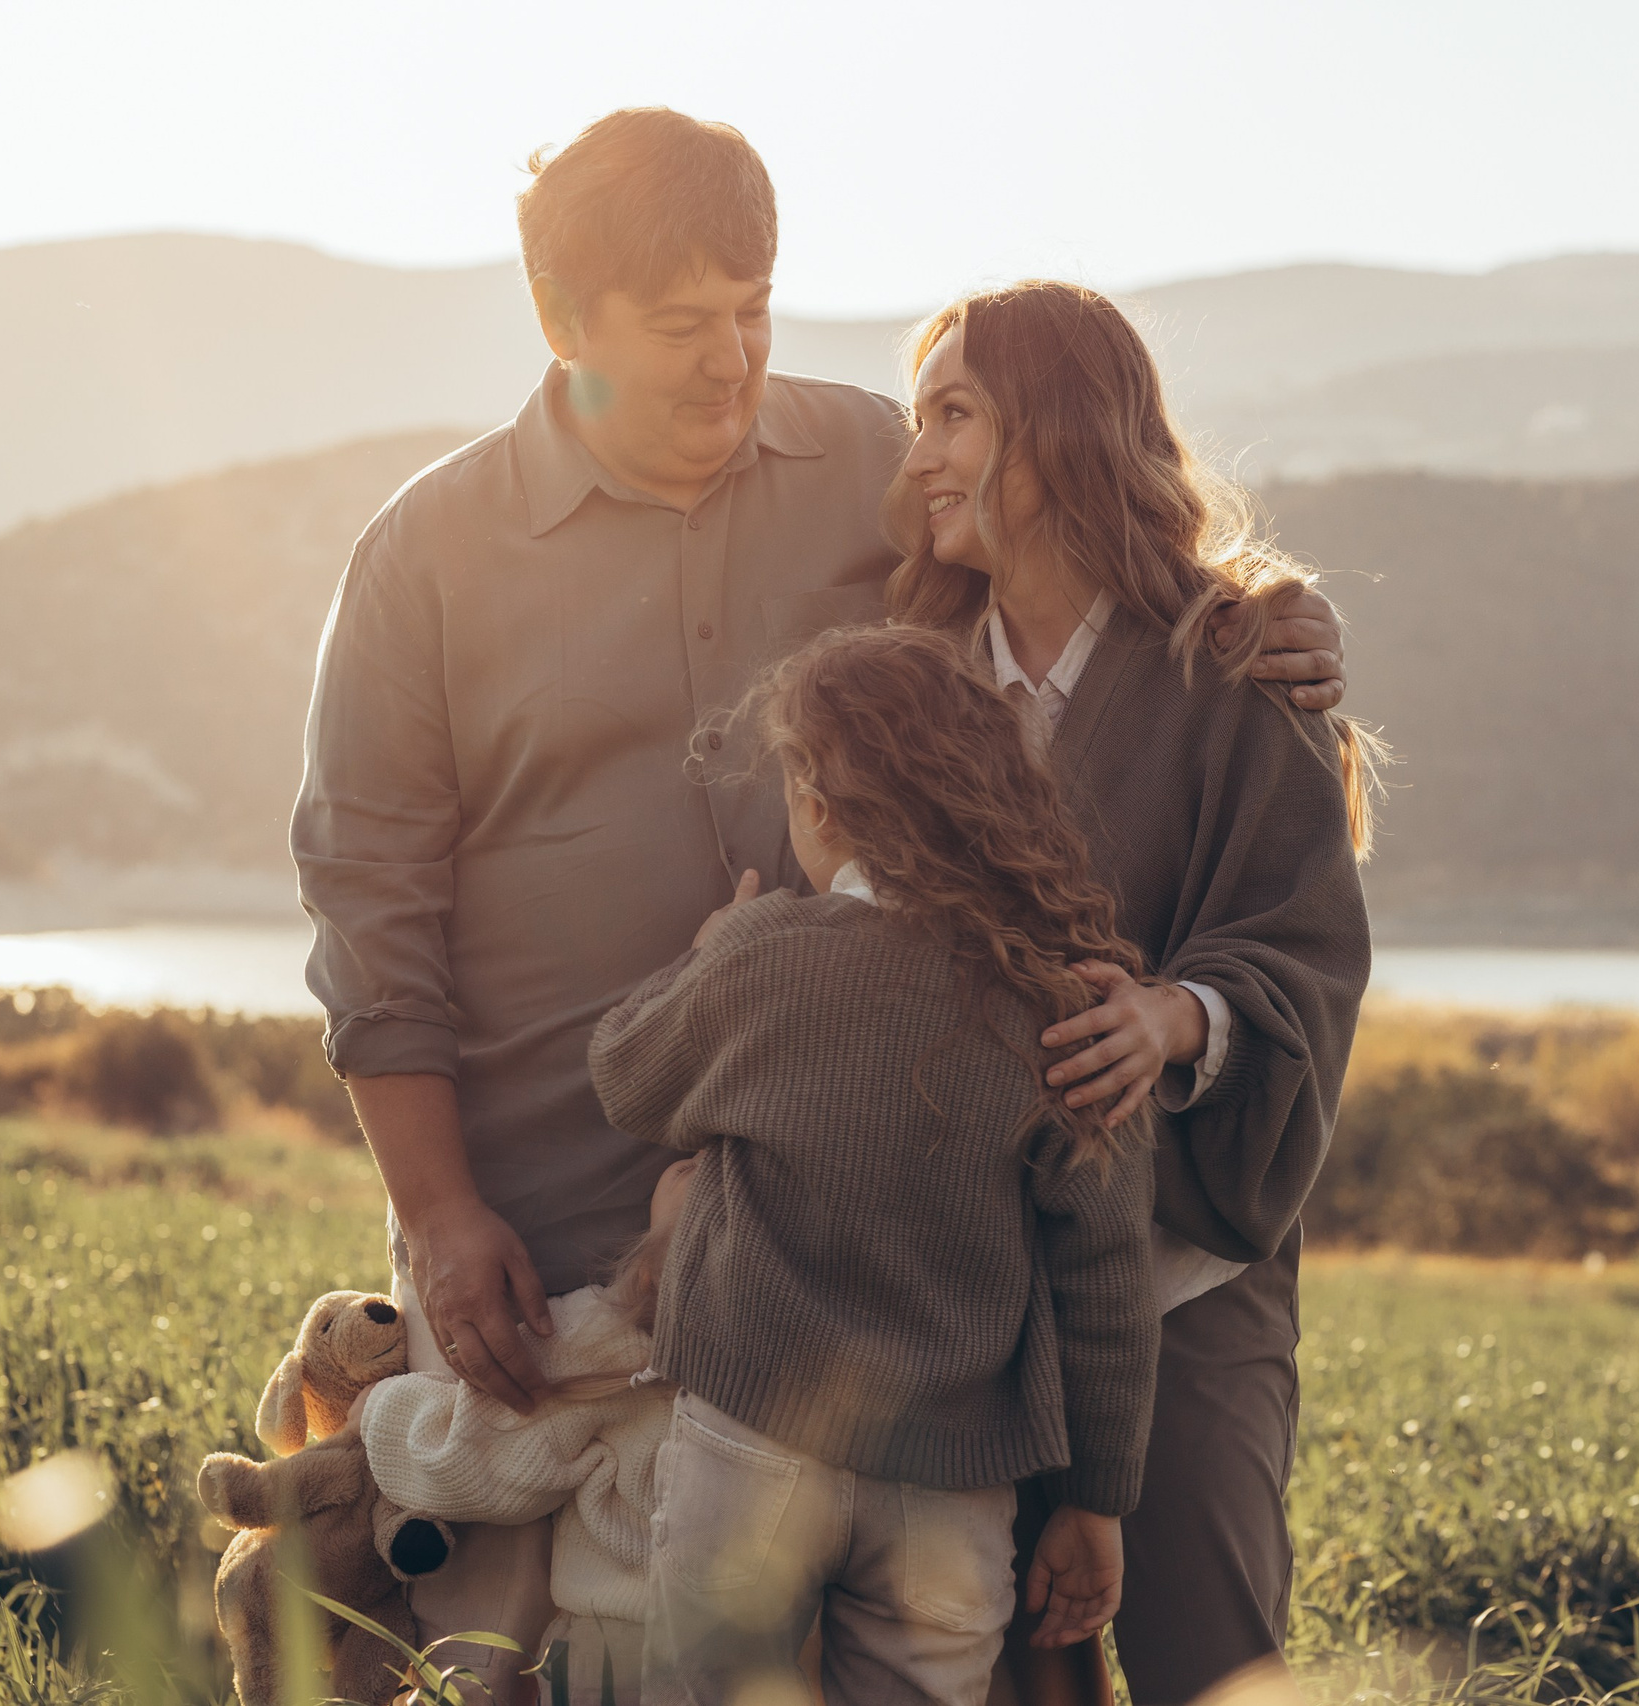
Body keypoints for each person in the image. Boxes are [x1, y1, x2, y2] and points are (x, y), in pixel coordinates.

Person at [291, 107, 1350, 1692]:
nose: (734, 360)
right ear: (566, 325)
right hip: (541, 1222)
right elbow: (369, 917)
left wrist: (1264, 612)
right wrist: (443, 1217)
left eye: (756, 308)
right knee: (506, 1654)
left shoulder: (876, 462)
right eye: (682, 327)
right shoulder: (421, 559)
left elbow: (1082, 552)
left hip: (865, 1238)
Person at [886, 281, 1375, 1705]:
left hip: (1185, 1284)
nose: (917, 455)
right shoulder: (908, 690)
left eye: (955, 414)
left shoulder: (1238, 672)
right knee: (994, 1670)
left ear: (1064, 434)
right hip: (966, 1290)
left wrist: (1175, 1018)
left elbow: (1306, 946)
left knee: (1207, 1653)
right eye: (917, 418)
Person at [588, 624, 1160, 1705]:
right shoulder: (1066, 1006)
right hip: (951, 1484)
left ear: (814, 798)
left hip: (749, 1440)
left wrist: (710, 951)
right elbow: (1108, 1285)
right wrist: (1095, 1502)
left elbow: (627, 1076)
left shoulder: (764, 955)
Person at [353, 1157, 697, 1706]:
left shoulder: (621, 1338)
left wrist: (377, 1413)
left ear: (656, 1270)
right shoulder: (826, 1358)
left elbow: (477, 1457)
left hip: (614, 1651)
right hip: (755, 1652)